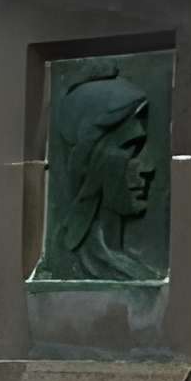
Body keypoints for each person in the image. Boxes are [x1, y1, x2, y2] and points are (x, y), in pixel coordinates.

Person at [42, 63, 159, 281]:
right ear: (88, 160)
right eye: (129, 148)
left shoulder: (137, 273)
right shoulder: (64, 266)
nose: (148, 168)